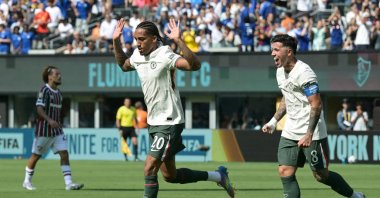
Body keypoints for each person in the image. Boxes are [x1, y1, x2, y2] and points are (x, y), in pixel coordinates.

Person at [112, 18, 235, 198]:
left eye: (142, 39)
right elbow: (123, 65)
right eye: (136, 39)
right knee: (170, 176)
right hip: (154, 122)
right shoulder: (137, 56)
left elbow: (195, 65)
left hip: (169, 120)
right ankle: (218, 176)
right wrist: (116, 41)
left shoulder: (165, 54)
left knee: (149, 168)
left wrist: (179, 41)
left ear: (154, 39)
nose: (137, 43)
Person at [261, 34, 365, 198]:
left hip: (312, 131)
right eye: (272, 49)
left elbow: (316, 104)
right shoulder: (280, 72)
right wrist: (274, 121)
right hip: (290, 129)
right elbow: (287, 99)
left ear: (289, 52)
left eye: (276, 50)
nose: (272, 53)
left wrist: (308, 133)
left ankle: (355, 196)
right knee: (284, 170)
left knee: (320, 176)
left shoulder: (304, 72)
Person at [23, 66, 84, 191]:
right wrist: (49, 120)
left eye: (60, 74)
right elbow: (39, 108)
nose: (60, 76)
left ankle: (69, 183)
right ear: (50, 76)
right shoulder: (44, 90)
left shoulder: (59, 93)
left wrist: (58, 122)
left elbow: (57, 112)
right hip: (44, 130)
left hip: (57, 130)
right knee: (36, 156)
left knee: (64, 153)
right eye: (57, 74)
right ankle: (26, 181)